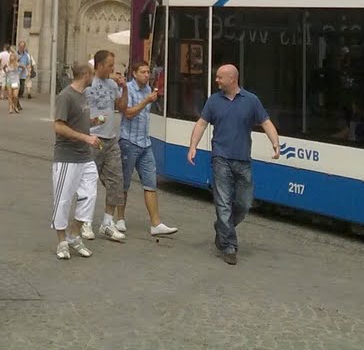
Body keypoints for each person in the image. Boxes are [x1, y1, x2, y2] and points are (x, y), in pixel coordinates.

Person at [187, 63, 280, 265]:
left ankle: (222, 227)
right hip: (220, 157)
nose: (216, 80)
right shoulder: (213, 101)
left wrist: (276, 143)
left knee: (244, 203)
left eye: (220, 77)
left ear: (232, 79)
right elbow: (201, 123)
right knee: (223, 202)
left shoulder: (251, 100)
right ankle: (229, 246)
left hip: (243, 160)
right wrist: (193, 146)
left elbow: (266, 122)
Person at [115, 61, 177, 237]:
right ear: (134, 74)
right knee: (124, 183)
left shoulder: (149, 90)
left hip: (145, 143)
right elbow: (127, 113)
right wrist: (145, 101)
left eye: (148, 71)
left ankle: (156, 223)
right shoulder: (127, 89)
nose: (146, 74)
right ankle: (120, 219)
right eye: (142, 71)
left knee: (150, 183)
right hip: (128, 142)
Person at [51, 61, 100, 260]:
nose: (93, 78)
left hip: (85, 157)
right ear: (86, 75)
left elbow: (77, 119)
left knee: (89, 195)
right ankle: (62, 241)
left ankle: (74, 233)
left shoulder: (83, 96)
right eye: (92, 74)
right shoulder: (66, 96)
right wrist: (86, 138)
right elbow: (59, 127)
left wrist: (92, 122)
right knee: (63, 199)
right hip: (67, 157)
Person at [81, 49, 128, 242]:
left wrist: (124, 89)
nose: (112, 69)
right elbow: (77, 110)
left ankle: (107, 223)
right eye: (109, 65)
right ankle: (84, 222)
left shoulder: (112, 84)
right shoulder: (87, 84)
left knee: (116, 182)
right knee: (87, 183)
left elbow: (122, 107)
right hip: (92, 139)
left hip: (111, 139)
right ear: (99, 65)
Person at [6, 50, 21, 114]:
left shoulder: (17, 64)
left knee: (15, 95)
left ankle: (15, 106)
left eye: (13, 56)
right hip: (9, 80)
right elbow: (4, 68)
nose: (12, 57)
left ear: (15, 57)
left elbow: (23, 67)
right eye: (11, 56)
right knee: (10, 95)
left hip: (15, 81)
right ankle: (10, 108)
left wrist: (21, 72)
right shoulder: (7, 64)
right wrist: (6, 72)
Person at [17, 41, 31, 105]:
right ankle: (15, 102)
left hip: (23, 74)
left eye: (23, 46)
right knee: (15, 88)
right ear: (18, 46)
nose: (22, 48)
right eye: (21, 46)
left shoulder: (26, 55)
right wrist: (19, 64)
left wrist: (29, 71)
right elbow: (12, 62)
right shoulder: (15, 54)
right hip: (16, 74)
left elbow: (28, 64)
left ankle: (18, 100)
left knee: (22, 88)